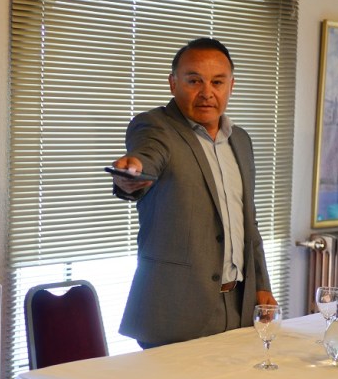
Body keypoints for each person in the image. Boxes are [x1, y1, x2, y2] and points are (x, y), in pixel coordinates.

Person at [111, 37, 276, 349]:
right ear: (173, 83)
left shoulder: (241, 140)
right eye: (194, 81)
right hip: (175, 313)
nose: (207, 93)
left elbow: (248, 222)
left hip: (239, 306)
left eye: (217, 82)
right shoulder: (155, 127)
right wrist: (132, 174)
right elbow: (146, 156)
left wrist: (262, 285)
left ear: (231, 86)